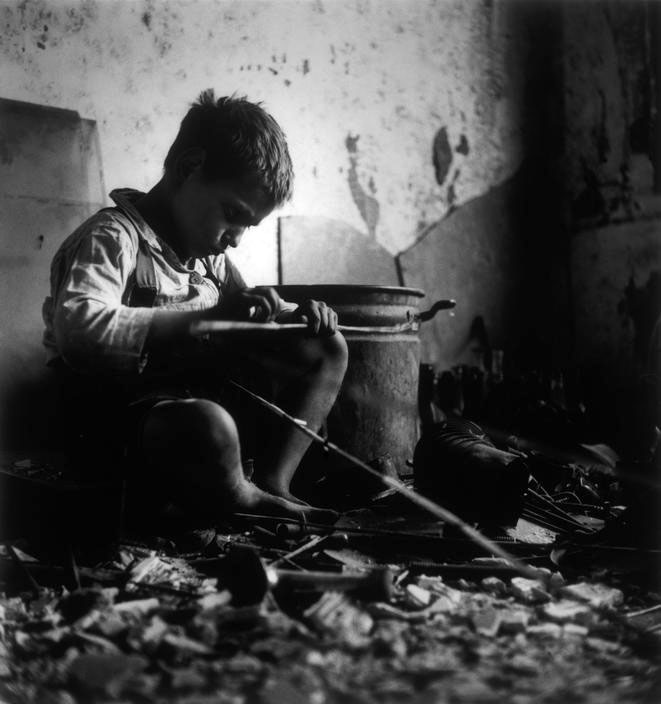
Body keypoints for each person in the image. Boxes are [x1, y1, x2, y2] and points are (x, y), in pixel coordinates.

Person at [42, 90, 348, 523]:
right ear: (189, 168)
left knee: (327, 347)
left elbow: (253, 317)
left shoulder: (211, 261)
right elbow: (80, 330)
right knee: (207, 424)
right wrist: (202, 321)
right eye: (232, 214)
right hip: (111, 419)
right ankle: (239, 501)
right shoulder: (113, 238)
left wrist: (295, 316)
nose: (237, 237)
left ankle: (275, 483)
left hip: (185, 403)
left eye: (248, 225)